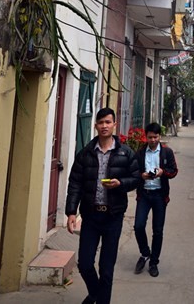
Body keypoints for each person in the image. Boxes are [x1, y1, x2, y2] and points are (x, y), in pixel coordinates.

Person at [65, 107, 139, 304]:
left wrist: (120, 183)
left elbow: (136, 178)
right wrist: (71, 212)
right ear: (95, 126)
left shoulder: (125, 153)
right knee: (85, 264)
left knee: (106, 269)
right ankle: (95, 294)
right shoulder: (85, 154)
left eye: (108, 122)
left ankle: (99, 299)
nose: (104, 126)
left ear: (114, 124)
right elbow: (75, 183)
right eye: (101, 122)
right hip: (90, 216)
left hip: (113, 217)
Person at [133, 122, 178, 278]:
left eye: (155, 137)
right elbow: (134, 172)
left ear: (160, 136)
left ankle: (153, 262)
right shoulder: (140, 153)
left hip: (160, 195)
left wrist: (162, 172)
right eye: (150, 137)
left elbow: (174, 171)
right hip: (144, 194)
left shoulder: (167, 152)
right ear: (146, 137)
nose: (153, 140)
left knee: (157, 231)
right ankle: (145, 252)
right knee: (138, 226)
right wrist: (142, 175)